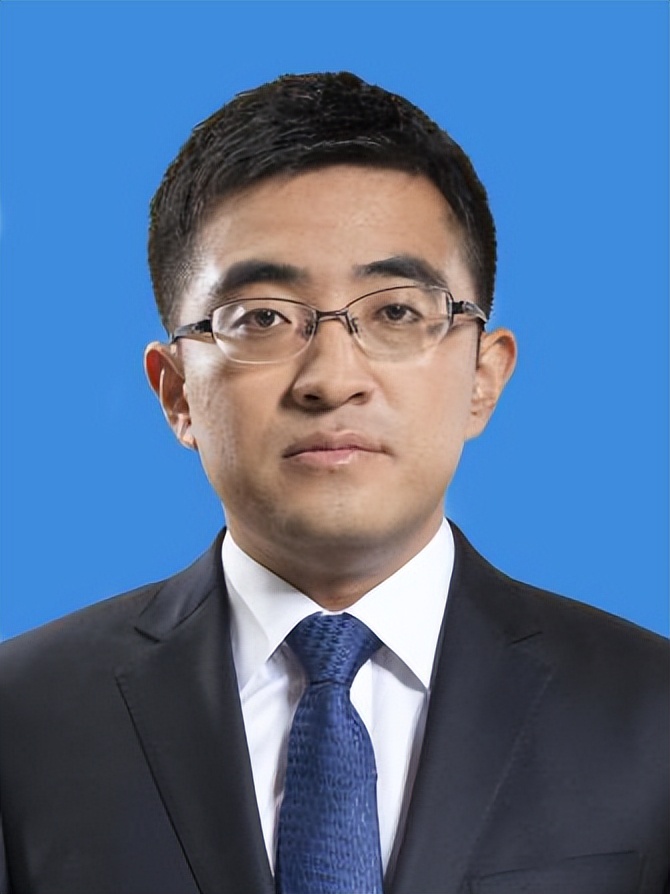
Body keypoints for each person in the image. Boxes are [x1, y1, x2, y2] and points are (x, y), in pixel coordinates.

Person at [0, 72, 666, 894]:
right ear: (176, 394)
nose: (331, 379)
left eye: (396, 313)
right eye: (262, 317)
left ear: (483, 379)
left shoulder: (651, 713)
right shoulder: (20, 721)